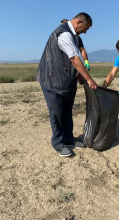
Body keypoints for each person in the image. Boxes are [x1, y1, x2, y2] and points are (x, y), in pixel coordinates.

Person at [37, 12, 98, 157]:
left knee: (67, 111)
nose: (86, 31)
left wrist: (79, 76)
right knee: (57, 112)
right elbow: (74, 59)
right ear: (78, 23)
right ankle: (58, 143)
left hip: (65, 82)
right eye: (86, 28)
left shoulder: (75, 36)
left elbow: (71, 60)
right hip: (52, 81)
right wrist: (89, 79)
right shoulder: (63, 34)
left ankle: (69, 139)